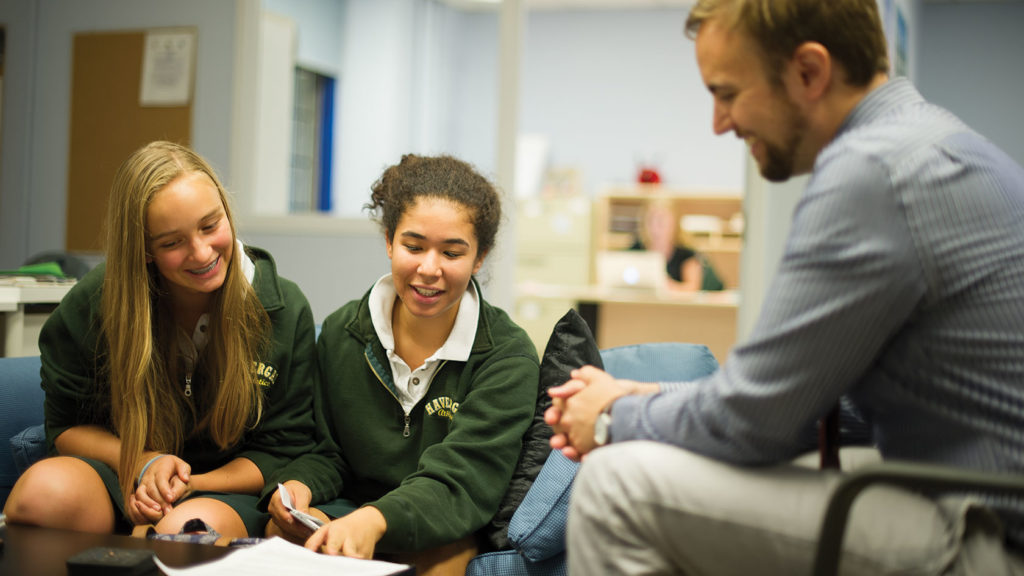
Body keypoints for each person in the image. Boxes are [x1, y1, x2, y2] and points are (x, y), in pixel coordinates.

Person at [545, 0, 1024, 574]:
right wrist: (636, 398)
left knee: (613, 485)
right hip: (973, 498)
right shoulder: (936, 143)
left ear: (808, 72)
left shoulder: (874, 172)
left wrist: (608, 420)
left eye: (727, 93)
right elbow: (815, 406)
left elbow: (757, 422)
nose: (718, 123)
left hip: (989, 537)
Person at [2, 141, 320, 539]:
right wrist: (144, 462)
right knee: (41, 497)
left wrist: (190, 483)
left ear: (226, 211)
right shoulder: (94, 302)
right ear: (145, 250)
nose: (202, 252)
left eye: (210, 225)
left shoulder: (283, 309)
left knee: (184, 532)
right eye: (172, 243)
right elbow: (66, 427)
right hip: (122, 471)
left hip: (226, 488)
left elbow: (283, 452)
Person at [265, 154, 540, 575]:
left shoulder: (506, 355)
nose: (429, 269)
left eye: (452, 252)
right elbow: (326, 451)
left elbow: (462, 482)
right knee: (277, 533)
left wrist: (375, 521)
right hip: (350, 511)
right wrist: (299, 487)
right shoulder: (342, 333)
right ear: (390, 241)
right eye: (413, 246)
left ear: (479, 258)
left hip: (441, 528)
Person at [630, 200, 724, 292]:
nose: (655, 228)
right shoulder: (634, 252)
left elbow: (691, 290)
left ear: (674, 224)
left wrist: (663, 284)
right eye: (651, 220)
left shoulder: (686, 255)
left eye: (661, 221)